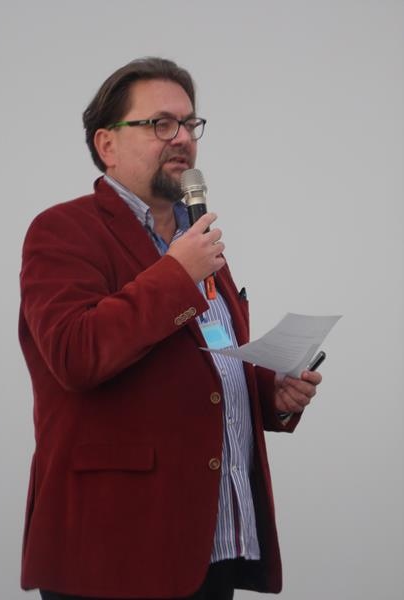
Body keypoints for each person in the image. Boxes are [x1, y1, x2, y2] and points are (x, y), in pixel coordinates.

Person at [18, 57, 322, 600]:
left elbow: (205, 359)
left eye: (189, 123)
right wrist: (177, 275)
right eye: (160, 123)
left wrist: (268, 392)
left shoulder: (196, 241)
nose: (181, 137)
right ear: (107, 144)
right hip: (114, 548)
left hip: (212, 538)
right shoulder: (63, 230)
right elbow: (74, 355)